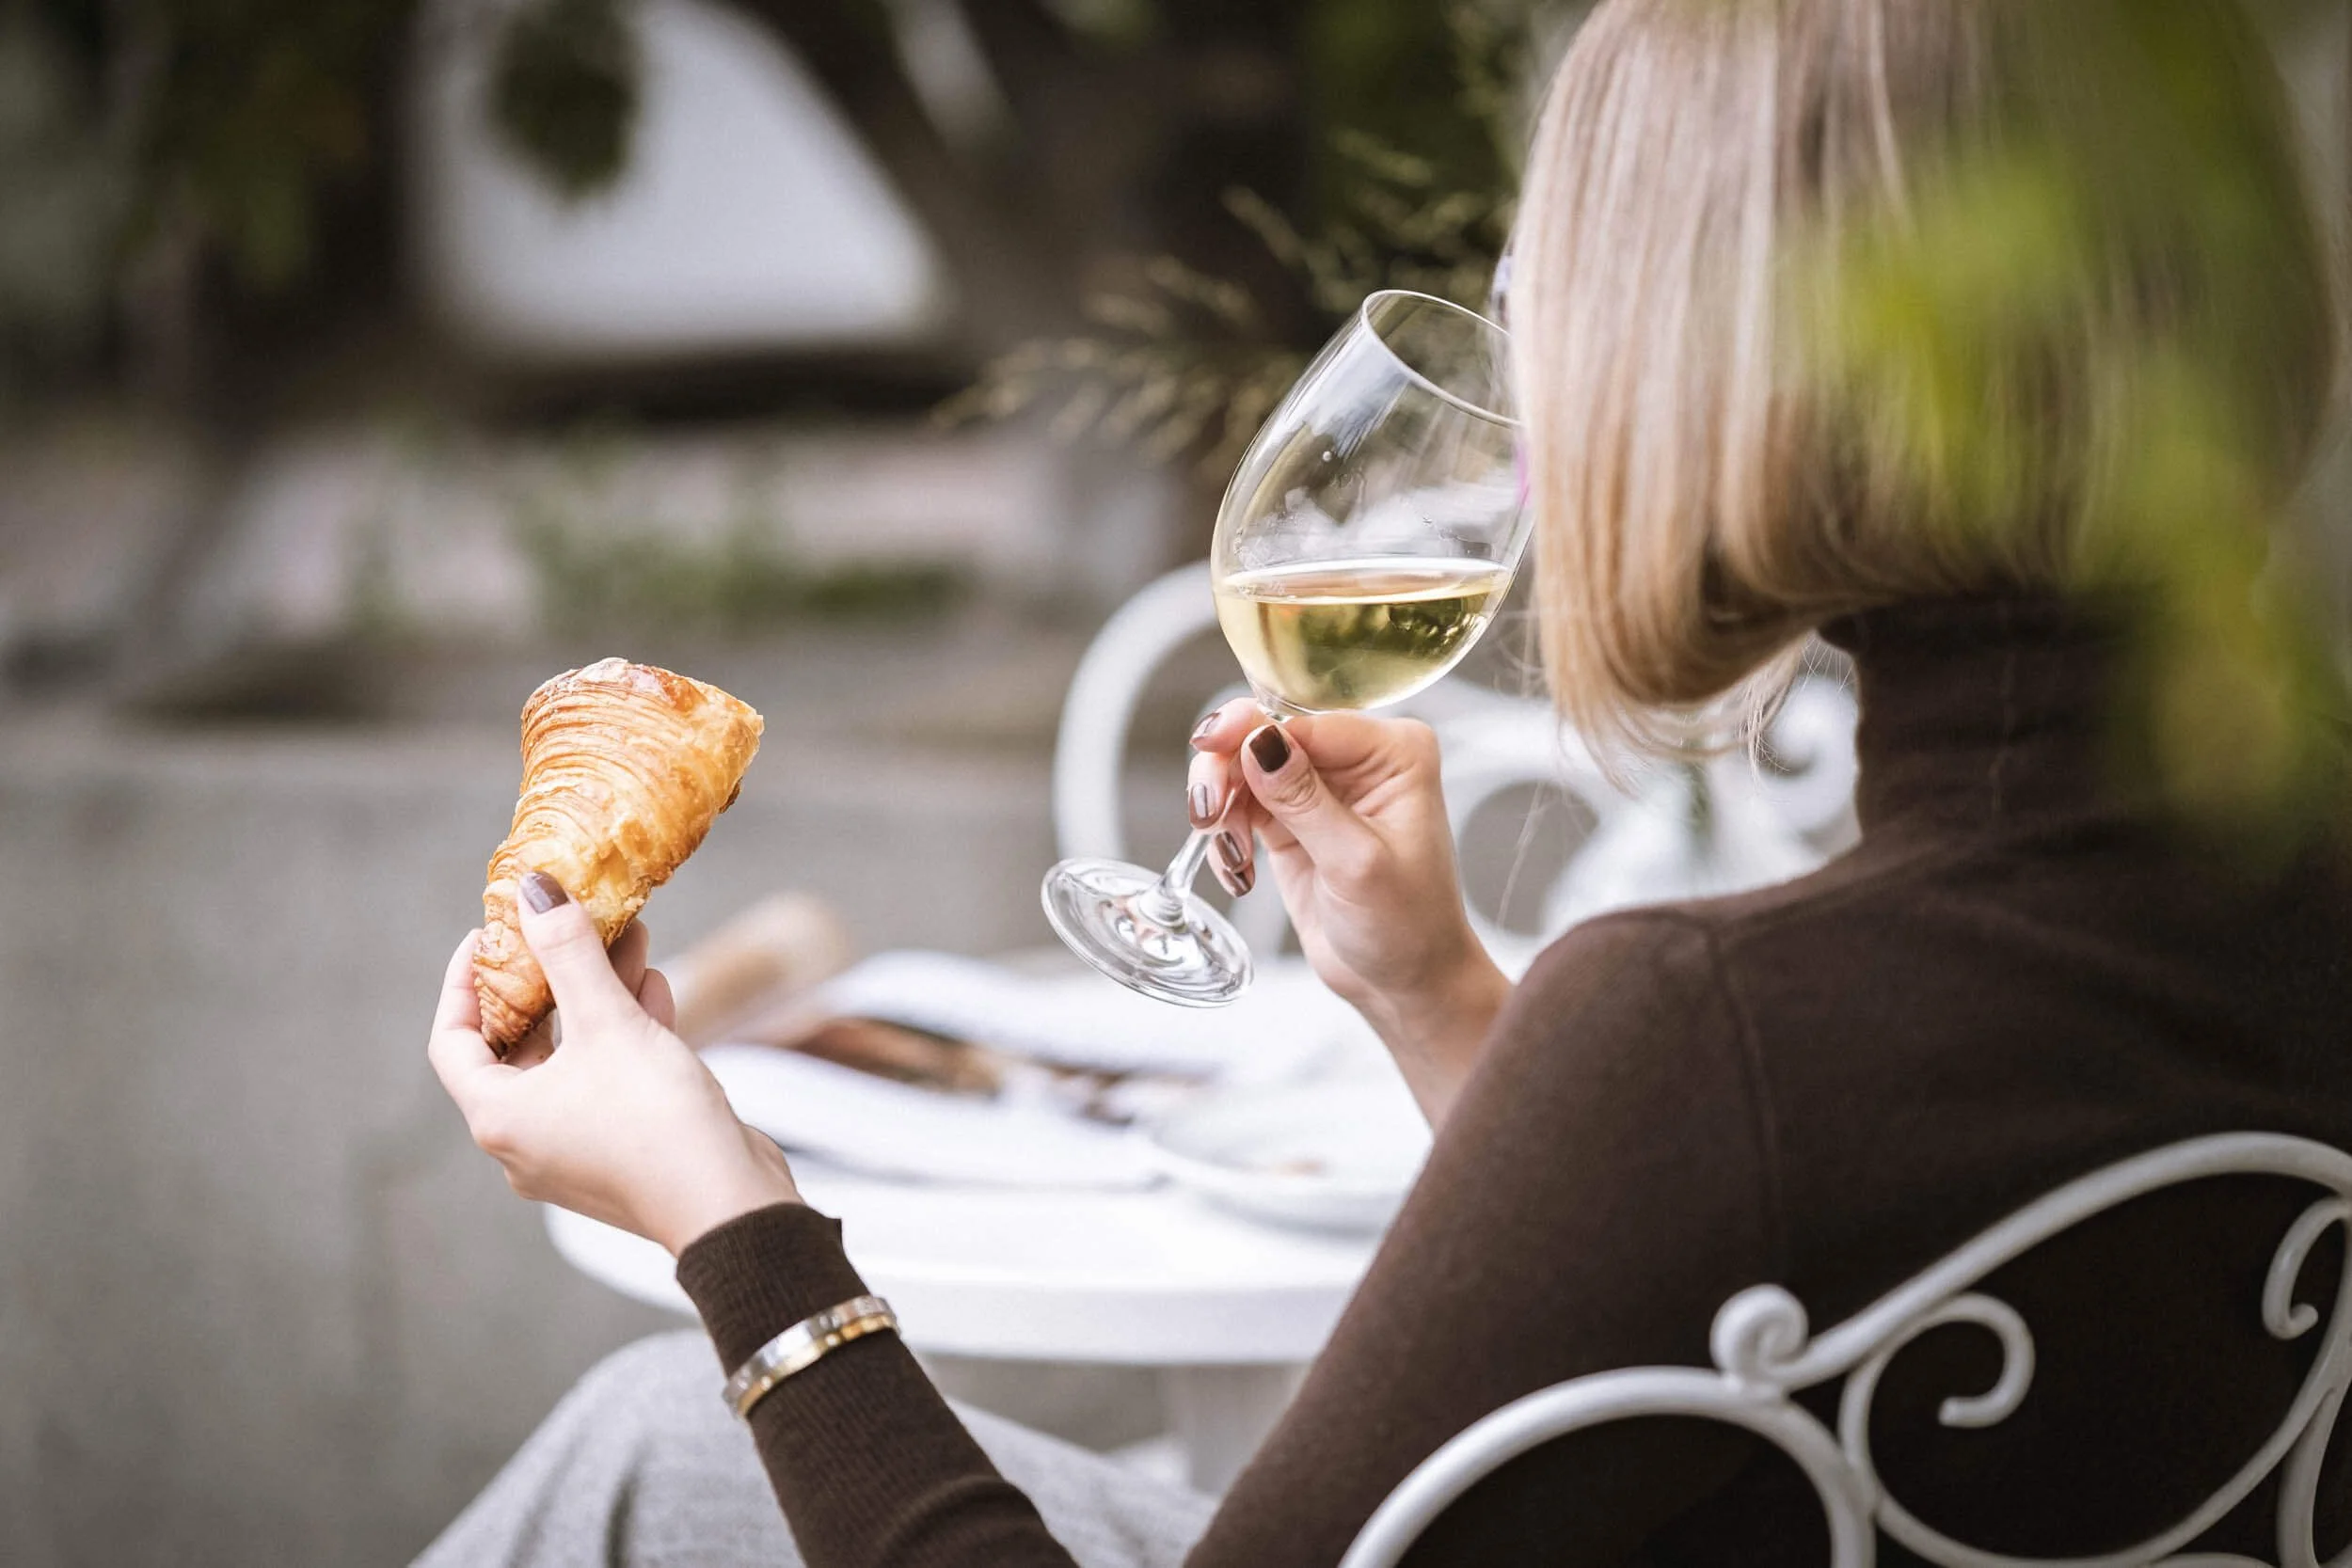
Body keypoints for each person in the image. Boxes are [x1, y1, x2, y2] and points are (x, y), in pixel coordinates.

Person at [421, 1, 2352, 1562]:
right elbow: (1769, 1245)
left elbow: (1733, 1117)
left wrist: (730, 1219)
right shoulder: (2241, 877)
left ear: (1729, 361)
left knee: (652, 1439)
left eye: (1555, 276)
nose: (1538, 343)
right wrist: (1441, 998)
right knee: (652, 1447)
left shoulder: (1703, 1026)